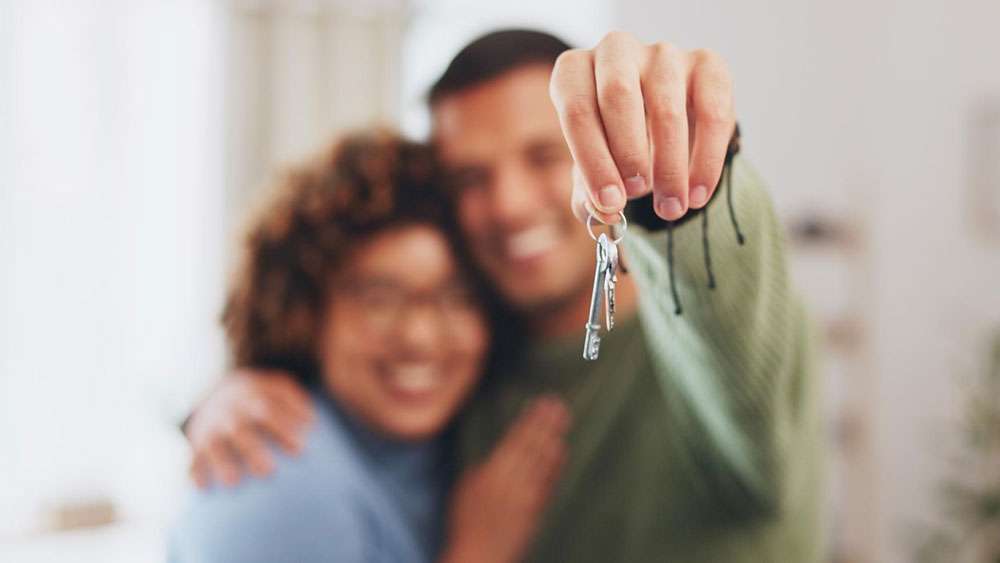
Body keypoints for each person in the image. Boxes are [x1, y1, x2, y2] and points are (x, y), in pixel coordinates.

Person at [183, 29, 825, 562]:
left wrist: (675, 182)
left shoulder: (714, 358)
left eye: (544, 156)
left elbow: (726, 309)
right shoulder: (476, 366)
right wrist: (237, 387)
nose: (509, 205)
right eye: (471, 177)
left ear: (594, 145)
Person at [170, 130, 570, 563]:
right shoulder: (276, 482)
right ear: (307, 314)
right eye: (379, 300)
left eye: (458, 298)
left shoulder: (459, 446)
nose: (419, 337)